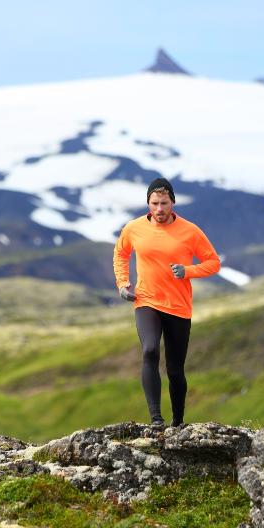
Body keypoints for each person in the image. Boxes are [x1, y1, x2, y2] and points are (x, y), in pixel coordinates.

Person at [113, 177, 221, 428]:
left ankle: (178, 422)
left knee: (175, 368)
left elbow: (213, 262)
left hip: (178, 306)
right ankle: (156, 419)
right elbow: (121, 253)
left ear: (172, 202)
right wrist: (122, 283)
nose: (159, 209)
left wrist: (187, 270)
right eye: (154, 203)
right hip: (146, 300)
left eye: (164, 203)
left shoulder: (190, 231)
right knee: (150, 350)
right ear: (148, 203)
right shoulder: (134, 228)